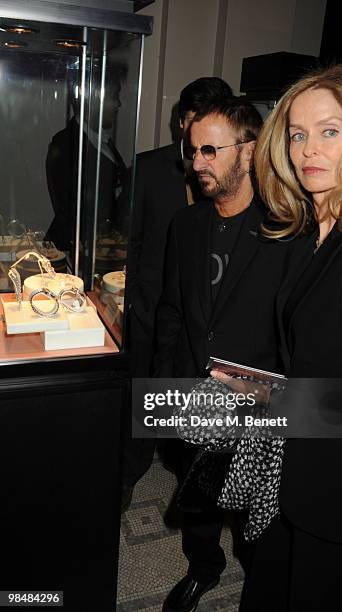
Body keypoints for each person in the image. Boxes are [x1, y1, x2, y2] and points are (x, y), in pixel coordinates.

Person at [229, 63, 342, 611]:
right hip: (288, 475)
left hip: (338, 491)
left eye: (330, 131)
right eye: (297, 134)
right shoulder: (306, 231)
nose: (308, 149)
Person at [154, 97, 288, 612]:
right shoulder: (184, 227)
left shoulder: (286, 231)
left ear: (250, 151)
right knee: (200, 503)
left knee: (257, 522)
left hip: (259, 409)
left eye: (211, 150)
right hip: (194, 394)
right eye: (194, 151)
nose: (198, 162)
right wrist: (169, 386)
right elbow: (170, 313)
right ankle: (203, 567)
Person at [122, 77, 233, 509]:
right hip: (150, 305)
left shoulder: (234, 173)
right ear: (180, 122)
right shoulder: (148, 167)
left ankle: (179, 457)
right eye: (190, 123)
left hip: (206, 313)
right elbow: (125, 239)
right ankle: (130, 470)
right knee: (142, 389)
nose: (196, 137)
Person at [45, 68, 130, 253]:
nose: (118, 104)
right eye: (114, 97)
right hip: (73, 250)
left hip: (99, 248)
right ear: (95, 99)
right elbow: (70, 208)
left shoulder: (99, 139)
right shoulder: (65, 143)